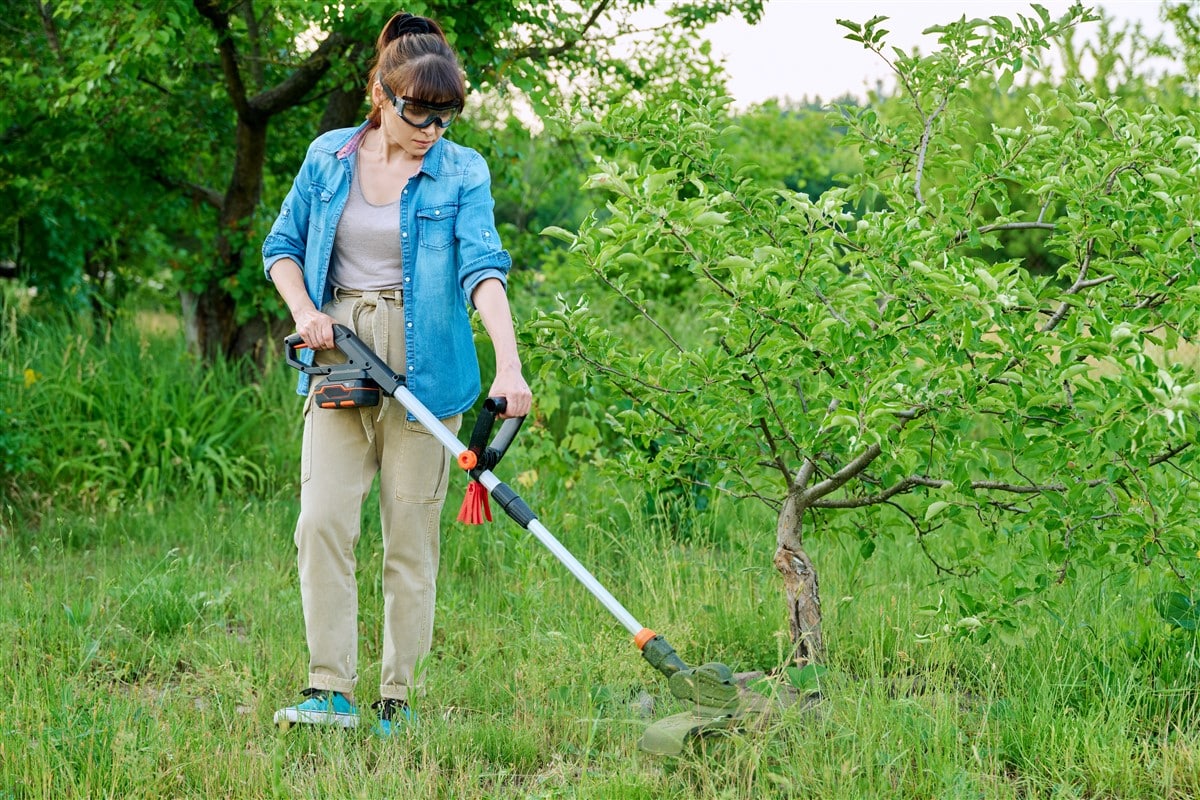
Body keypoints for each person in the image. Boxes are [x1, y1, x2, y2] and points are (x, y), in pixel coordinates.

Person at [261, 11, 532, 736]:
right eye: (419, 113)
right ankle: (330, 691)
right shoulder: (327, 157)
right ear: (380, 95)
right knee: (320, 521)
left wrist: (508, 362)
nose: (432, 130)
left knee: (410, 541)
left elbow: (482, 267)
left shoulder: (462, 170)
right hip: (340, 356)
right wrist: (305, 311)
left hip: (429, 368)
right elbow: (281, 245)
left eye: (446, 117)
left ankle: (395, 701)